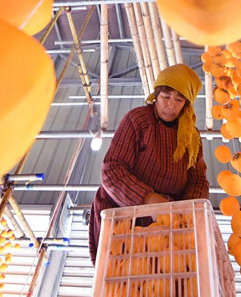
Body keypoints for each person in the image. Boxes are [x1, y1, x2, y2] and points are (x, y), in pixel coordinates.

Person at [88, 63, 210, 265]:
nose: (171, 105)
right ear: (156, 95)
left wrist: (184, 212)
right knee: (121, 276)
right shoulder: (138, 120)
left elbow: (198, 182)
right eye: (166, 97)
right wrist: (148, 200)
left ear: (186, 104)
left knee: (161, 280)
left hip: (167, 223)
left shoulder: (191, 136)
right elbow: (112, 169)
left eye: (179, 99)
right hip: (121, 214)